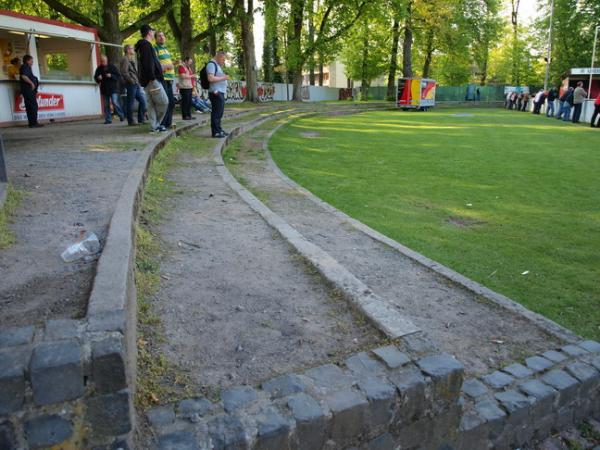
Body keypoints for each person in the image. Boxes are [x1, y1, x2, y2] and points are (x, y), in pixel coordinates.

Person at [135, 24, 169, 132]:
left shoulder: (142, 46)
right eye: (153, 31)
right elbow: (148, 63)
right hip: (152, 81)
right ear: (149, 32)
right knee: (164, 102)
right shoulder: (146, 45)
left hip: (147, 81)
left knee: (152, 105)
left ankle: (154, 126)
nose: (154, 33)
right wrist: (152, 78)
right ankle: (156, 124)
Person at [120, 44, 146, 126]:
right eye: (131, 49)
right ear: (128, 50)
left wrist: (136, 81)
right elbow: (124, 72)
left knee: (142, 101)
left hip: (136, 84)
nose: (133, 50)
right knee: (130, 103)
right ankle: (131, 121)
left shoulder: (130, 59)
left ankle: (141, 119)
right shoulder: (125, 59)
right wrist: (131, 81)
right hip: (131, 84)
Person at [94, 55, 125, 124]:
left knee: (115, 102)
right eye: (101, 61)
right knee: (106, 105)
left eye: (104, 61)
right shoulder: (99, 68)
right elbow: (95, 77)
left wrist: (111, 76)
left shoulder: (112, 67)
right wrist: (98, 78)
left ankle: (121, 115)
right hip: (104, 89)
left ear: (107, 60)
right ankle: (108, 119)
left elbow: (118, 76)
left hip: (113, 88)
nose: (103, 62)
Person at [154, 31, 176, 129]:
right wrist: (167, 66)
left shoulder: (166, 49)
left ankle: (168, 123)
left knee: (171, 102)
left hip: (170, 78)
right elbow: (156, 64)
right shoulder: (155, 48)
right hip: (163, 78)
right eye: (159, 36)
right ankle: (162, 123)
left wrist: (173, 64)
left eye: (163, 35)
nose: (162, 37)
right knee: (164, 102)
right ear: (156, 38)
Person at [206, 51, 229, 138]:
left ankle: (219, 129)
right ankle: (215, 132)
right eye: (223, 59)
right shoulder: (211, 64)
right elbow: (210, 78)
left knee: (219, 112)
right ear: (219, 57)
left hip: (219, 92)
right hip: (215, 92)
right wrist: (224, 77)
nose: (224, 61)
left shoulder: (217, 65)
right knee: (216, 112)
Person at [19, 55, 42, 128]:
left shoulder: (27, 67)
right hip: (28, 90)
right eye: (31, 61)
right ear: (27, 61)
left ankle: (33, 122)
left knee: (31, 106)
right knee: (32, 106)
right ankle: (33, 123)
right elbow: (24, 76)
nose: (32, 62)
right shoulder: (25, 67)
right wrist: (32, 83)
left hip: (29, 90)